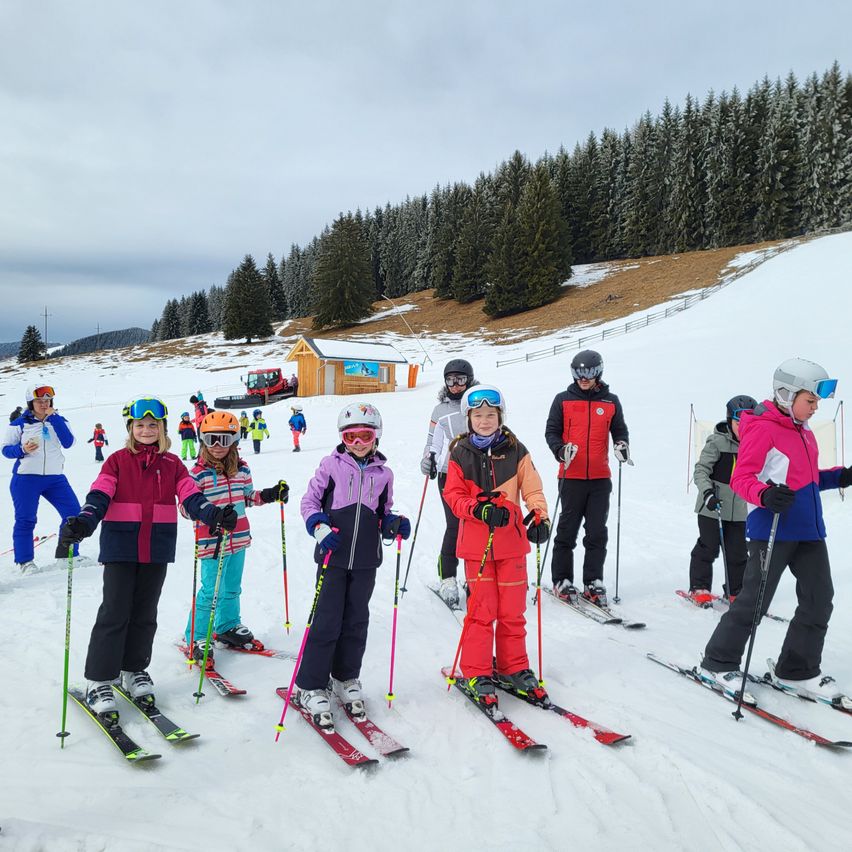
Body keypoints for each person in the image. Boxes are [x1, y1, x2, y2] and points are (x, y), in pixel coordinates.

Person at [57, 396, 236, 716]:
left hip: (157, 547)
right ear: (130, 428)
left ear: (163, 428)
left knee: (145, 614)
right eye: (140, 425)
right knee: (115, 612)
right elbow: (99, 495)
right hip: (121, 548)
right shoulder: (116, 460)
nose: (147, 429)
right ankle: (99, 679)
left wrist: (213, 515)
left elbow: (193, 498)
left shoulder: (173, 465)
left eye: (153, 425)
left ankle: (133, 669)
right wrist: (84, 521)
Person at [699, 359, 852, 708]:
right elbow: (741, 479)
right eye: (810, 400)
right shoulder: (763, 428)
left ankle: (796, 670)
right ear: (786, 394)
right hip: (773, 529)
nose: (815, 408)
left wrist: (841, 476)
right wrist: (765, 494)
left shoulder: (805, 431)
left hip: (809, 531)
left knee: (819, 599)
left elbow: (808, 480)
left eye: (816, 402)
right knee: (755, 601)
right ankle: (718, 662)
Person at [297, 402, 410, 728]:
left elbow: (382, 512)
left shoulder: (384, 474)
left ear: (376, 436)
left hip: (365, 560)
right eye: (351, 436)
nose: (358, 442)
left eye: (365, 435)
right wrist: (318, 527)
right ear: (342, 438)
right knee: (327, 620)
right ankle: (310, 685)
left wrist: (392, 524)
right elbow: (310, 502)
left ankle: (345, 677)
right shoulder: (331, 466)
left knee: (357, 621)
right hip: (333, 556)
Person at [442, 385, 550, 706]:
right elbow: (454, 495)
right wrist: (477, 508)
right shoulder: (460, 453)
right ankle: (476, 671)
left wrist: (540, 516)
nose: (485, 420)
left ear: (500, 416)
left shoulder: (517, 450)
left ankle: (513, 667)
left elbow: (532, 488)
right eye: (479, 415)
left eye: (491, 414)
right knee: (481, 610)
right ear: (469, 418)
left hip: (512, 545)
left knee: (513, 611)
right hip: (477, 546)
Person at [184, 411, 288, 664]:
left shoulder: (242, 469)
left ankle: (228, 625)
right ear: (202, 441)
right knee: (210, 591)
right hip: (211, 541)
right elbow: (186, 508)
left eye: (224, 439)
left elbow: (248, 497)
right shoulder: (197, 473)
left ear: (235, 440)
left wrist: (270, 494)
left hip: (239, 538)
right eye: (211, 440)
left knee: (231, 588)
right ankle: (196, 636)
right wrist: (211, 514)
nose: (218, 446)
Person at [544, 350, 630, 608]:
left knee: (596, 532)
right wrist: (560, 450)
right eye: (579, 372)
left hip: (600, 478)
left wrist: (622, 445)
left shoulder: (611, 401)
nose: (584, 378)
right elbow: (551, 432)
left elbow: (620, 430)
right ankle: (562, 580)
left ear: (598, 373)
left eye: (589, 373)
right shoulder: (562, 400)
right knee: (566, 531)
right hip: (571, 475)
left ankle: (593, 581)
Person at [2, 384, 81, 572]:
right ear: (31, 403)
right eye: (39, 401)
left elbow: (68, 442)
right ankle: (25, 562)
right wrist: (22, 450)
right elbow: (5, 449)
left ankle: (66, 556)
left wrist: (54, 418)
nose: (44, 404)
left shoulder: (59, 420)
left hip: (55, 478)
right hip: (26, 479)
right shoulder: (20, 424)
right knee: (26, 520)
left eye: (47, 400)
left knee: (74, 514)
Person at [687, 395, 757, 604]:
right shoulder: (717, 442)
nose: (743, 427)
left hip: (739, 510)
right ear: (730, 421)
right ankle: (699, 588)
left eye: (748, 422)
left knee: (738, 552)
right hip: (712, 506)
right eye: (739, 423)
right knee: (709, 546)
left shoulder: (755, 445)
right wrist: (707, 492)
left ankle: (736, 591)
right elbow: (701, 470)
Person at [420, 359, 478, 606]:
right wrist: (427, 460)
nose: (455, 385)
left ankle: (475, 577)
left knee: (476, 526)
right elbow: (432, 441)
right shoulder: (440, 410)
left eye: (461, 380)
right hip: (448, 473)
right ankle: (448, 577)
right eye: (451, 380)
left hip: (478, 472)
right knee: (455, 525)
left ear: (469, 380)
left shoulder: (478, 401)